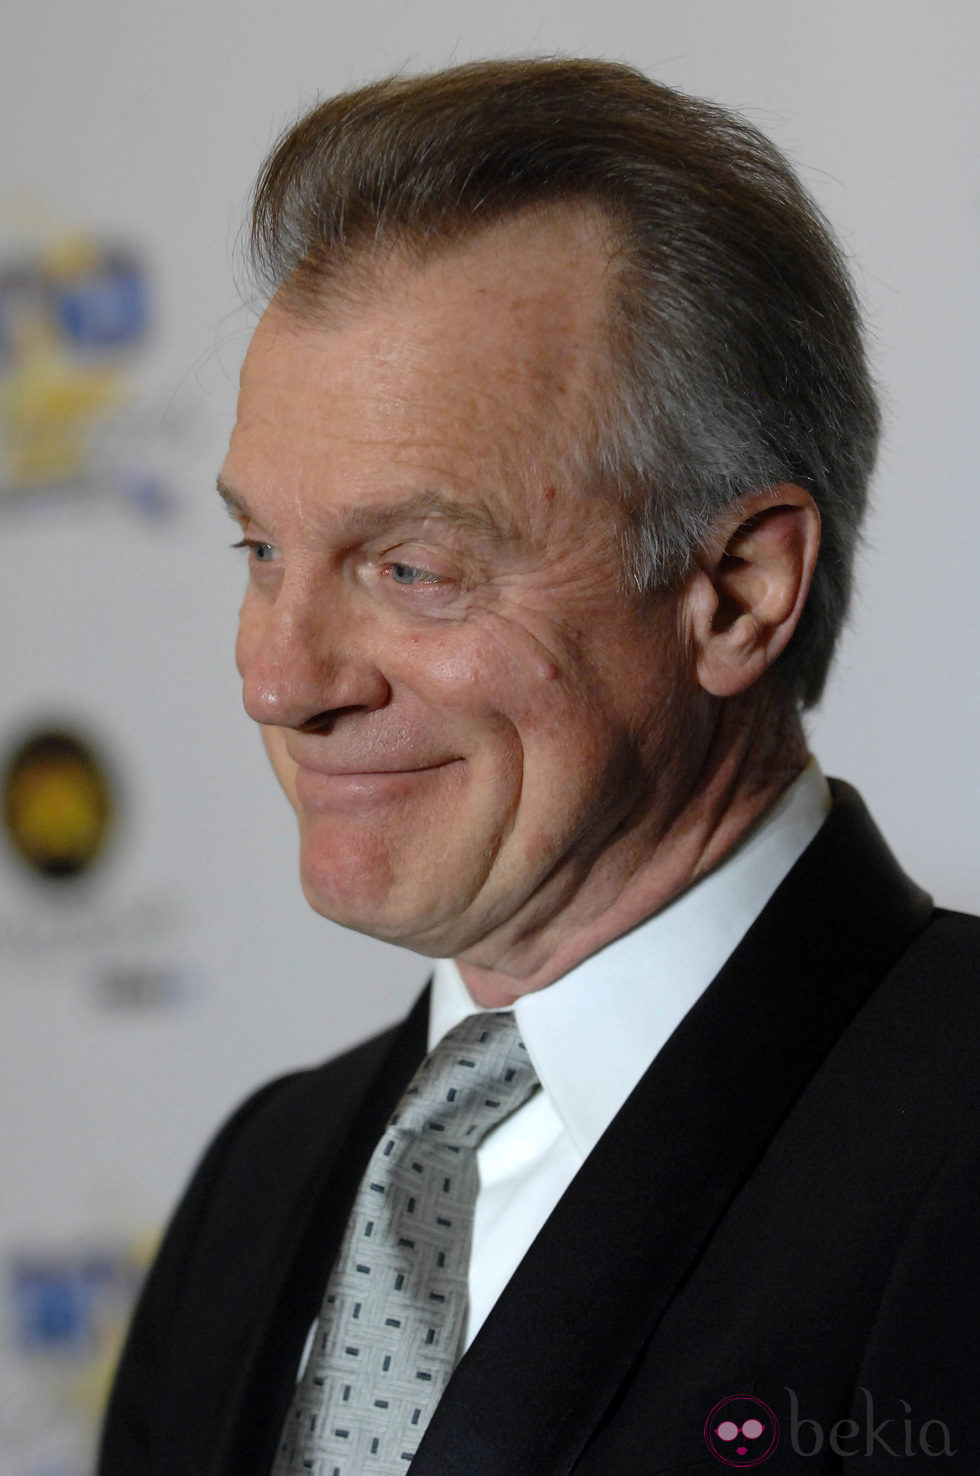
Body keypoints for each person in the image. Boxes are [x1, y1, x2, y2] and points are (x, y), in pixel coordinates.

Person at [98, 58, 980, 1475]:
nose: (280, 676)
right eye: (263, 551)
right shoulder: (262, 1180)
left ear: (739, 591)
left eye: (412, 566)